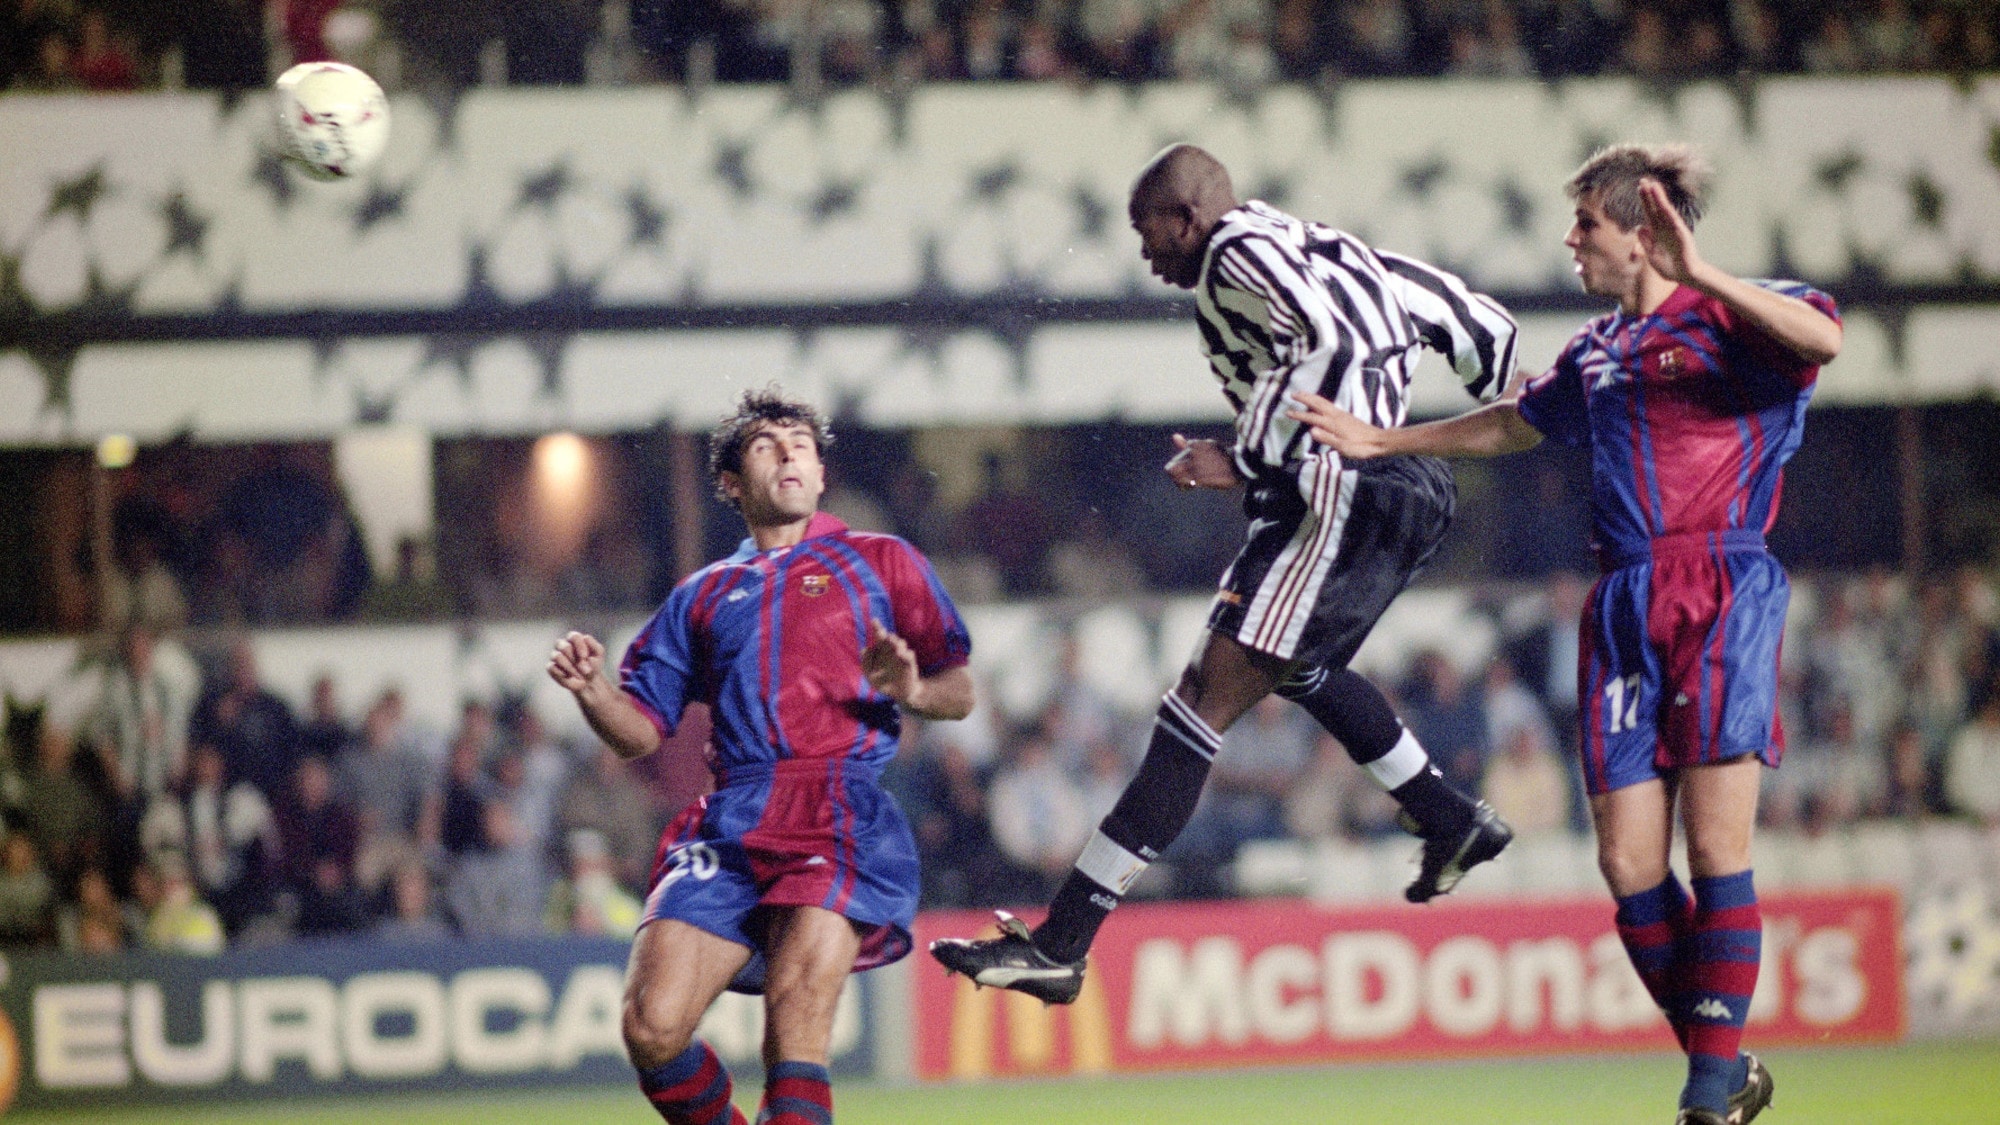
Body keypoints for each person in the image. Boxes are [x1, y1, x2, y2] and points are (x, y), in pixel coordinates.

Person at [1287, 142, 1841, 1125]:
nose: (1568, 240)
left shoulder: (1733, 314)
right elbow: (1514, 421)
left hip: (1721, 586)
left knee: (1715, 848)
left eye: (1585, 222)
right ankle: (1725, 1067)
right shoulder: (1594, 352)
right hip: (1622, 599)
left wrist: (1700, 270)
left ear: (1642, 231)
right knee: (1627, 865)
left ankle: (1705, 1097)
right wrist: (1385, 439)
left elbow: (1822, 340)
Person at [930, 143, 1518, 1005]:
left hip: (1340, 487)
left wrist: (1245, 456)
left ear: (1188, 217)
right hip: (1390, 484)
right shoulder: (1328, 244)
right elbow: (1475, 323)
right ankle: (1449, 817)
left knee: (1199, 703)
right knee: (1299, 668)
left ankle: (1063, 942)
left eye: (1149, 235)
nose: (1147, 257)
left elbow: (1330, 340)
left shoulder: (1233, 252)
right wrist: (1499, 392)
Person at [546, 388, 973, 1125]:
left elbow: (959, 691)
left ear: (821, 473)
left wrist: (911, 689)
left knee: (794, 1020)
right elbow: (640, 732)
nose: (789, 454)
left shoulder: (882, 560)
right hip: (732, 816)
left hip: (835, 808)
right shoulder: (701, 595)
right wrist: (593, 692)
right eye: (767, 445)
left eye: (801, 443)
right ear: (732, 483)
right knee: (651, 1027)